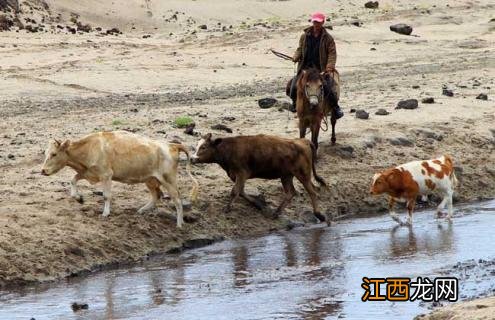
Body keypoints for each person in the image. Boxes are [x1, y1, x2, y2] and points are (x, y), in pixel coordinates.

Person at [289, 12, 344, 119]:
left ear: (323, 22)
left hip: (320, 70)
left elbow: (332, 53)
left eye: (318, 22)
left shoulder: (328, 38)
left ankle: (335, 108)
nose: (316, 24)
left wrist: (329, 66)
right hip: (305, 68)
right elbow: (300, 49)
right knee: (292, 87)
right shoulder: (304, 36)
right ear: (312, 21)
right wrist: (295, 56)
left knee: (329, 88)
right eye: (315, 22)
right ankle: (295, 104)